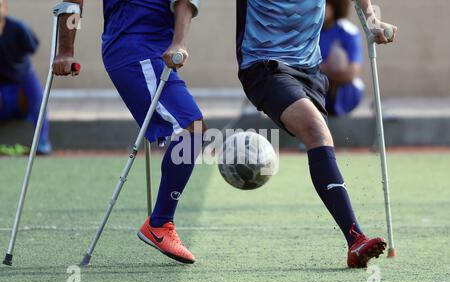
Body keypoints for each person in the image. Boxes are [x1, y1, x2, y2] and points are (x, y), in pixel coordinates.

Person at [237, 0, 397, 268]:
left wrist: (370, 17)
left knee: (318, 137)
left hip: (311, 71)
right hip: (264, 65)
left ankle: (354, 243)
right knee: (315, 130)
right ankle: (355, 239)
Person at [53, 0, 205, 264]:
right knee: (192, 128)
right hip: (132, 49)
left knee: (194, 129)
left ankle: (160, 222)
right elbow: (72, 5)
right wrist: (66, 50)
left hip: (160, 49)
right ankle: (160, 224)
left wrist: (180, 42)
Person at [0, 0, 51, 155]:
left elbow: (33, 46)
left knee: (36, 93)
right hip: (3, 89)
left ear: (5, 8)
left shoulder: (18, 28)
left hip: (21, 79)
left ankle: (41, 144)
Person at [320, 0, 365, 116]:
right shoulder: (308, 32)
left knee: (337, 56)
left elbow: (352, 71)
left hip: (343, 89)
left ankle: (335, 104)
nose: (320, 7)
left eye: (325, 4)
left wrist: (324, 71)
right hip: (315, 86)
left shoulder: (348, 31)